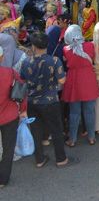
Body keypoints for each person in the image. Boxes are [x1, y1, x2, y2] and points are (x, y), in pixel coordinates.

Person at [19, 32, 78, 170]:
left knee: (36, 131)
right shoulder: (54, 60)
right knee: (56, 130)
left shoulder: (26, 61)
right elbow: (62, 80)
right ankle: (61, 159)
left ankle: (39, 159)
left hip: (32, 102)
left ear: (33, 46)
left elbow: (22, 80)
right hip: (50, 100)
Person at [62, 24, 99, 147]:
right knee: (89, 111)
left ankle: (72, 139)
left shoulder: (66, 49)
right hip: (88, 79)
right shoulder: (90, 46)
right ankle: (91, 137)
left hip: (73, 81)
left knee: (74, 113)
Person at [1, 44, 29, 187]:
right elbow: (21, 91)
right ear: (2, 57)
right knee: (8, 148)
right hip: (9, 116)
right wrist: (23, 110)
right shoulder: (10, 73)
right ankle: (3, 179)